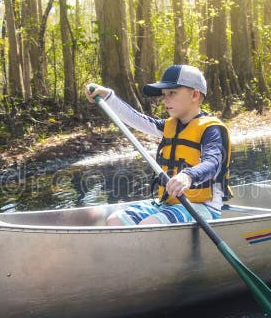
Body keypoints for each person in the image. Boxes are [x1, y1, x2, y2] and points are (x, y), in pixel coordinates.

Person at [85, 64, 231, 226]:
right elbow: (136, 119)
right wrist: (108, 97)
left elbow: (213, 163)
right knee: (115, 221)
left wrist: (188, 175)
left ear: (195, 95)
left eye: (172, 93)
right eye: (164, 94)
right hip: (168, 204)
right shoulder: (169, 126)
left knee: (150, 224)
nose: (165, 99)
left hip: (203, 207)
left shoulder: (211, 130)